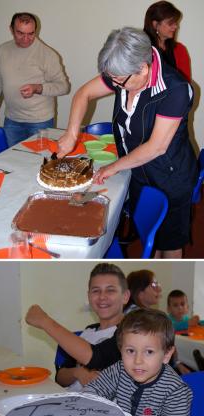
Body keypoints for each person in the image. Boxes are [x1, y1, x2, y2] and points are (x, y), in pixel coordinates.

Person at [58, 27, 197, 258]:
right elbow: (83, 94)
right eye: (112, 79)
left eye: (119, 81)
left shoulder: (175, 90)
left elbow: (156, 147)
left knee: (169, 242)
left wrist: (113, 166)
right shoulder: (122, 74)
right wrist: (71, 133)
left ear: (143, 68)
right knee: (150, 235)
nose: (114, 85)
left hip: (170, 177)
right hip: (138, 170)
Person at [82, 309, 191, 416]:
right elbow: (94, 390)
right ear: (121, 350)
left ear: (167, 354)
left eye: (149, 352)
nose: (138, 361)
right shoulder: (119, 369)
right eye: (131, 351)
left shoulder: (175, 391)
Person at [0, 12, 69, 146]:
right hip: (11, 120)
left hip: (40, 122)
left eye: (31, 33)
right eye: (20, 33)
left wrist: (37, 88)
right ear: (11, 30)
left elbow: (63, 86)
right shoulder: (3, 50)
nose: (26, 38)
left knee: (38, 158)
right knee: (10, 157)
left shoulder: (47, 54)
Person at [56, 263, 130, 391]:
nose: (102, 297)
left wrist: (44, 321)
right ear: (89, 296)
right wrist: (77, 373)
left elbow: (96, 357)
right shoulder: (88, 331)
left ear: (125, 296)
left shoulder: (130, 333)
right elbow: (60, 377)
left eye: (110, 290)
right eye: (96, 291)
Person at [144, 1, 191, 81]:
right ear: (155, 24)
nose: (175, 26)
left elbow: (185, 82)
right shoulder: (140, 49)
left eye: (176, 23)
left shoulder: (180, 50)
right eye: (170, 23)